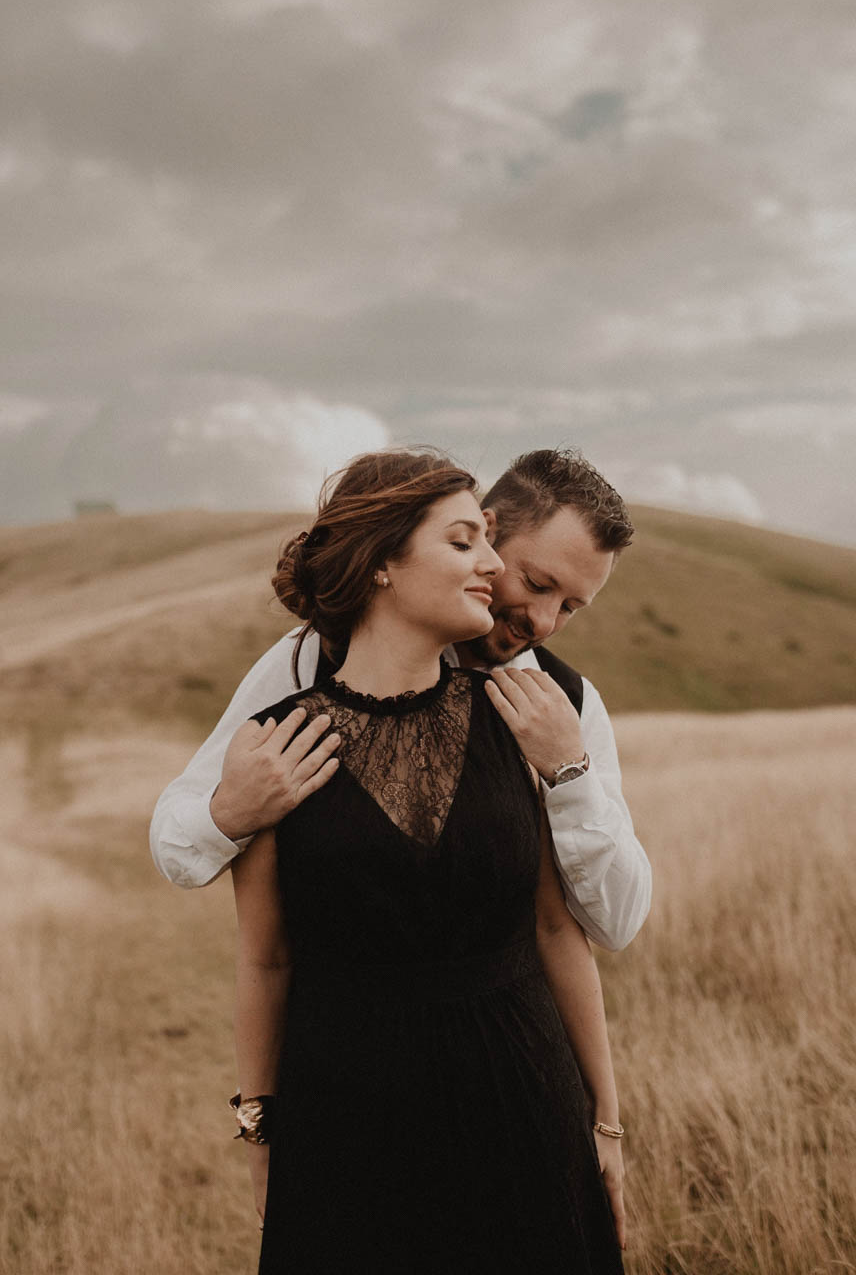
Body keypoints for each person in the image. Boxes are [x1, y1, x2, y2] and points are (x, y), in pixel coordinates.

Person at [230, 448, 626, 1271]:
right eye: (464, 542)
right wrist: (259, 1132)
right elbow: (264, 959)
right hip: (345, 1118)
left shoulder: (525, 718)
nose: (493, 569)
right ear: (382, 562)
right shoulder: (274, 736)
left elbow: (562, 930)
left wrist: (608, 1122)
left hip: (523, 1099)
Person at [149, 448, 650, 953]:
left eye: (569, 607)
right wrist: (231, 812)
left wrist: (570, 773)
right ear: (486, 534)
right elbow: (176, 847)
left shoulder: (570, 702)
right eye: (536, 584)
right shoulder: (310, 662)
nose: (542, 621)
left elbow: (618, 924)